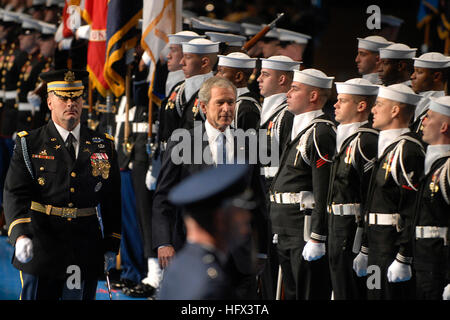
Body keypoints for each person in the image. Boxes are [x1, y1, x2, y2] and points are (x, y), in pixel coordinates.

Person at [3, 69, 121, 300]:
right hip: (42, 243)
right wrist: (20, 234)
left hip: (84, 245)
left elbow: (111, 198)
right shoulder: (30, 143)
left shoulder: (102, 145)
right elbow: (14, 193)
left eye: (76, 97)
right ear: (49, 101)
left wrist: (111, 242)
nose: (70, 103)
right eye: (63, 98)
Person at [152, 76, 268, 299]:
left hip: (241, 258)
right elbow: (163, 196)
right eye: (220, 102)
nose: (227, 108)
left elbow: (259, 199)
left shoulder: (249, 143)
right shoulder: (183, 142)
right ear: (203, 107)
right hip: (192, 250)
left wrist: (261, 249)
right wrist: (163, 242)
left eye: (231, 102)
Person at [269, 68, 335, 300]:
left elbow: (323, 189)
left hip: (303, 228)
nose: (288, 93)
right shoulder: (297, 126)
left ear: (313, 96)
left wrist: (317, 235)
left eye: (295, 89)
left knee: (308, 293)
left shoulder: (320, 132)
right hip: (286, 225)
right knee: (293, 291)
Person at [353, 84, 423, 300]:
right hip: (376, 243)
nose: (373, 110)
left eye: (379, 105)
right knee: (374, 293)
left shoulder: (407, 150)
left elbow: (412, 209)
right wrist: (365, 247)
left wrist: (404, 256)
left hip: (390, 246)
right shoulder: (389, 146)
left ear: (395, 111)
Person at [158, 164, 254, 300]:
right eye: (240, 209)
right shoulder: (212, 287)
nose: (247, 216)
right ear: (220, 219)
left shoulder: (180, 266)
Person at [327, 78, 379, 299]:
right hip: (336, 226)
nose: (335, 105)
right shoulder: (346, 136)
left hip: (353, 231)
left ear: (361, 106)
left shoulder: (366, 140)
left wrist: (366, 246)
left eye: (343, 101)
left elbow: (371, 196)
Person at [412, 96, 450, 300]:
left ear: (444, 126)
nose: (423, 121)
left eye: (430, 116)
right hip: (425, 258)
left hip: (440, 263)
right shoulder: (435, 165)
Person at [216, 52, 261, 130]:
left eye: (221, 72)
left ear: (238, 77)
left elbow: (249, 141)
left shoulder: (247, 110)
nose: (216, 76)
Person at [409, 52, 449, 136]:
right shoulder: (416, 99)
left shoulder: (444, 107)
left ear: (436, 76)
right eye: (414, 71)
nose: (412, 76)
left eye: (419, 72)